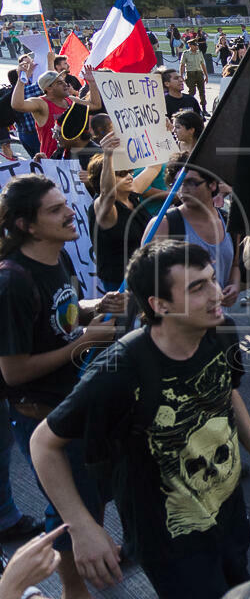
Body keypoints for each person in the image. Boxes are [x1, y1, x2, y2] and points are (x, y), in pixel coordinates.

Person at [31, 240, 250, 598]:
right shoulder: (122, 368)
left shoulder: (222, 330)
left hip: (228, 517)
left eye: (212, 280)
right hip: (171, 542)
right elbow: (43, 442)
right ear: (159, 304)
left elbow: (227, 391)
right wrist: (82, 527)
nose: (216, 293)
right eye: (197, 288)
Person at [0, 175, 125, 599]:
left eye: (64, 204)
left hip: (78, 402)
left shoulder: (60, 258)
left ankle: (94, 543)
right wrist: (85, 344)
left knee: (92, 495)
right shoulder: (11, 282)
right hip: (43, 419)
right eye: (54, 210)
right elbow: (13, 372)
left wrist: (96, 307)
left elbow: (65, 316)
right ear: (26, 226)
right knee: (69, 510)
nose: (70, 211)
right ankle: (74, 588)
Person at [143, 154, 241, 307]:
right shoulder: (163, 225)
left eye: (191, 183)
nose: (182, 189)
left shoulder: (229, 223)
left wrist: (234, 286)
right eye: (178, 183)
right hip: (179, 324)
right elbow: (146, 278)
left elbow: (234, 266)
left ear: (212, 184)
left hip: (219, 320)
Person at [87, 133, 150, 292]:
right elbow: (107, 193)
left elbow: (154, 167)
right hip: (121, 287)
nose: (129, 176)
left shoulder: (132, 194)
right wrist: (108, 156)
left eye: (129, 171)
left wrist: (162, 134)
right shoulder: (105, 207)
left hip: (145, 277)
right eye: (121, 174)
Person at [11, 59, 102, 161]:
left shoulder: (70, 100)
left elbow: (95, 105)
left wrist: (92, 83)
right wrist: (21, 79)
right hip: (52, 160)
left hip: (72, 158)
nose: (65, 84)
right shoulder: (42, 104)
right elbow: (17, 105)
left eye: (64, 81)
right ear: (48, 88)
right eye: (59, 83)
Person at [180, 39, 208, 112]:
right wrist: (181, 76)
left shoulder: (199, 53)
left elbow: (202, 64)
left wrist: (206, 75)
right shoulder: (186, 53)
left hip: (199, 73)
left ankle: (204, 109)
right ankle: (192, 108)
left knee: (202, 91)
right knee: (192, 92)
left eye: (197, 45)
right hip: (190, 74)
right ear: (190, 45)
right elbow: (182, 65)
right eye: (195, 45)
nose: (196, 47)